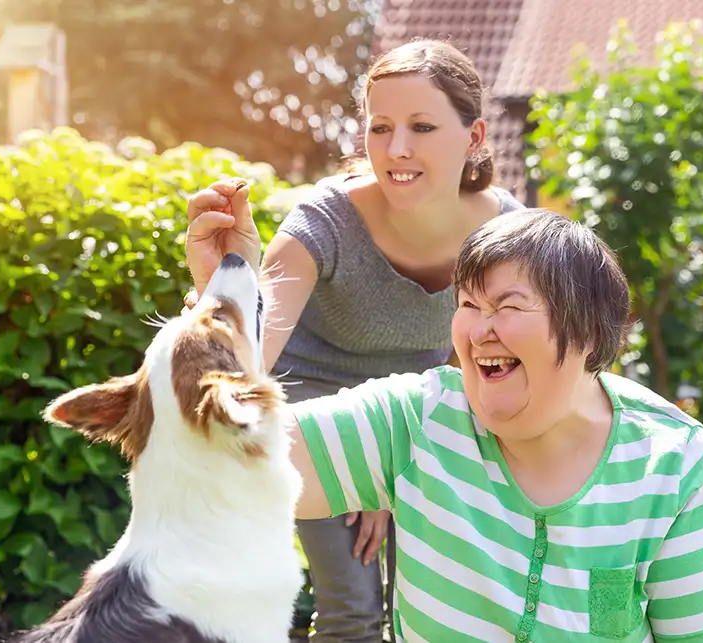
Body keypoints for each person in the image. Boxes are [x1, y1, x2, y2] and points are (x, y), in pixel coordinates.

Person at [191, 209, 703, 641]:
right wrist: (227, 297)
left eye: (508, 306)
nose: (480, 329)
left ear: (587, 331)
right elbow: (228, 458)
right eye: (468, 304)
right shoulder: (417, 419)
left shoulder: (675, 466)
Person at [182, 39, 525, 642]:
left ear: (473, 138)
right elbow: (253, 352)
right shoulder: (325, 220)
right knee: (356, 607)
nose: (397, 149)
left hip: (425, 409)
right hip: (311, 405)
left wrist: (399, 463)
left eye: (422, 127)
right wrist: (220, 287)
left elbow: (483, 357)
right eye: (381, 127)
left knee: (451, 609)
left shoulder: (505, 232)